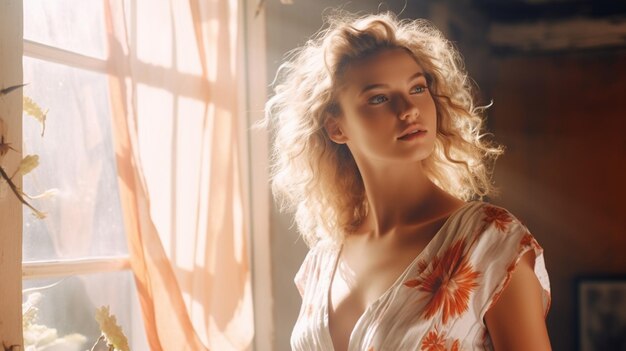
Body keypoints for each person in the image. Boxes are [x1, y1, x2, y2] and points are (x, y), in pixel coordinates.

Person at [265, 11, 551, 351]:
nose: (408, 109)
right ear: (336, 127)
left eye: (417, 88)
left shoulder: (489, 242)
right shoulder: (322, 261)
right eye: (378, 98)